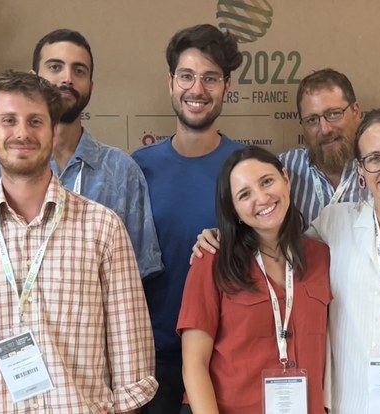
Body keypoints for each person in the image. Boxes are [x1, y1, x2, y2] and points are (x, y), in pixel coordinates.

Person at [192, 108, 380, 413]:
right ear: (360, 169)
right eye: (374, 159)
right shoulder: (333, 224)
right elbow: (275, 242)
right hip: (350, 404)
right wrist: (222, 235)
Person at [0, 71, 157, 413]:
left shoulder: (102, 228)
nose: (22, 133)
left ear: (54, 131)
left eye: (35, 121)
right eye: (8, 120)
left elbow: (132, 364)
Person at [0, 29, 163, 279]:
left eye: (79, 71)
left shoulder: (121, 169)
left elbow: (139, 272)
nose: (67, 79)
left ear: (91, 86)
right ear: (34, 78)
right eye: (55, 67)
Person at [131, 24, 244, 414]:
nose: (197, 89)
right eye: (187, 76)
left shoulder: (247, 171)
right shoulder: (137, 169)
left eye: (210, 78)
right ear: (170, 82)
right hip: (154, 360)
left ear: (227, 87)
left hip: (228, 356)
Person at [178, 146, 331, 414]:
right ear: (234, 210)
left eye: (267, 181)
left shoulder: (322, 256)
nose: (261, 198)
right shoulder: (212, 259)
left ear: (286, 179)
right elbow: (194, 363)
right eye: (244, 194)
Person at [279, 68, 365, 224]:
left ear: (356, 112)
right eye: (312, 120)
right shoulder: (283, 170)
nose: (325, 130)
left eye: (334, 114)